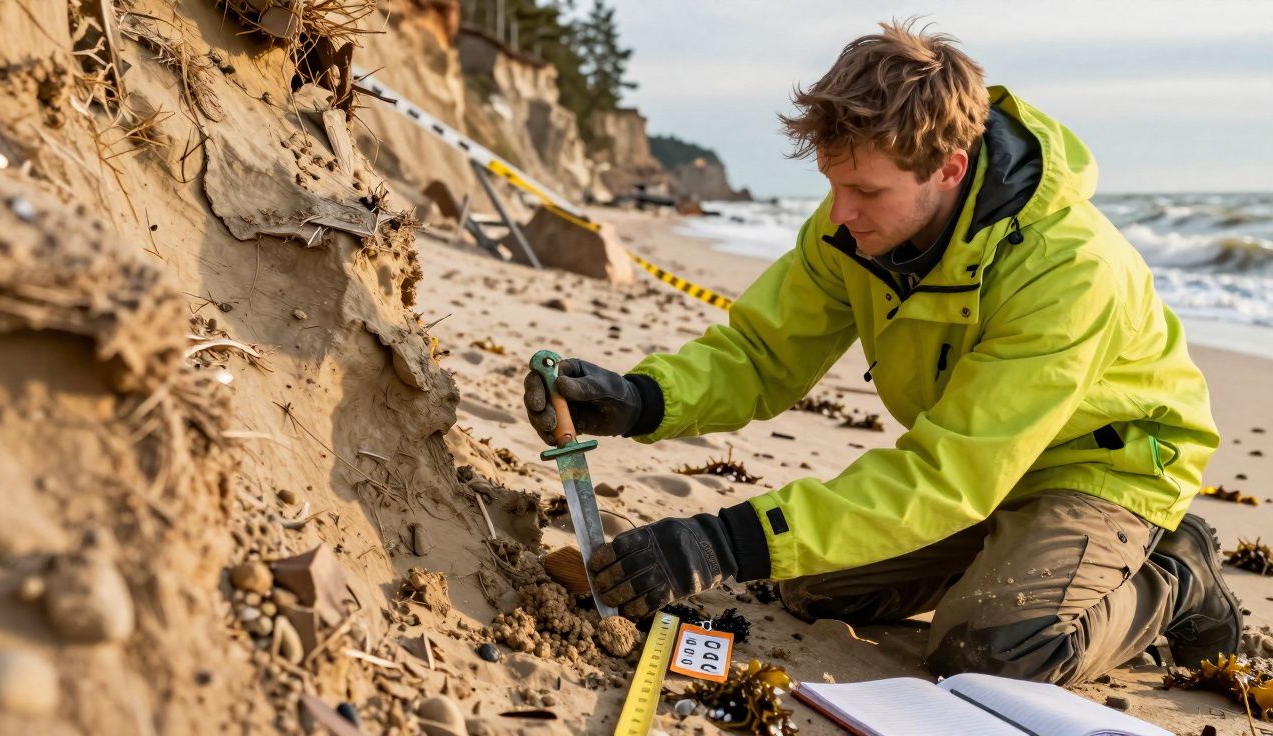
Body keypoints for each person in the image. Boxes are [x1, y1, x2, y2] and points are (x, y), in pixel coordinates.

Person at [521, 20, 1237, 685]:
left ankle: (1175, 574)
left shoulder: (1071, 271)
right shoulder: (851, 228)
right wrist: (641, 399)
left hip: (1107, 465)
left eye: (865, 190)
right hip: (986, 468)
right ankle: (1025, 557)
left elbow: (952, 472)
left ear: (950, 170)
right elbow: (761, 354)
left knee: (988, 650)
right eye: (833, 184)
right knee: (809, 583)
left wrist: (720, 541)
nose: (839, 213)